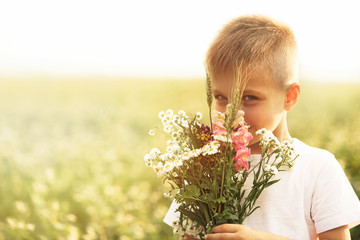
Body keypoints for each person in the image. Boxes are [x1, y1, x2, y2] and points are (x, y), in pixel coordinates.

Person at [163, 15, 360, 240]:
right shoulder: (202, 169)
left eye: (249, 97)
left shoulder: (317, 169)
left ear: (289, 97)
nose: (232, 112)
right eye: (220, 97)